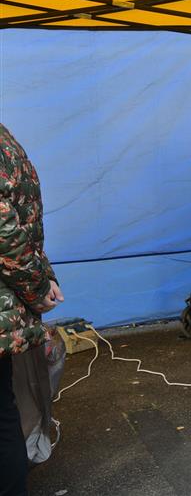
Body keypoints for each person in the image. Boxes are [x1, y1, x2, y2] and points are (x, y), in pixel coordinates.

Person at [0, 124, 64, 495]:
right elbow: (24, 223)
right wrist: (43, 278)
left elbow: (7, 232)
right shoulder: (7, 140)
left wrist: (39, 286)